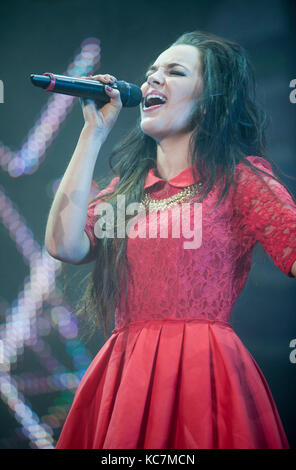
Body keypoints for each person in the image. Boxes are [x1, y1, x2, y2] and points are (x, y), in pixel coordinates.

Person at [45, 30, 296, 449]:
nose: (152, 81)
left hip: (205, 375)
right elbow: (62, 246)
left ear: (211, 99)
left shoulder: (241, 180)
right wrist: (92, 133)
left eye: (174, 72)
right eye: (150, 73)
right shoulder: (124, 193)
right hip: (128, 375)